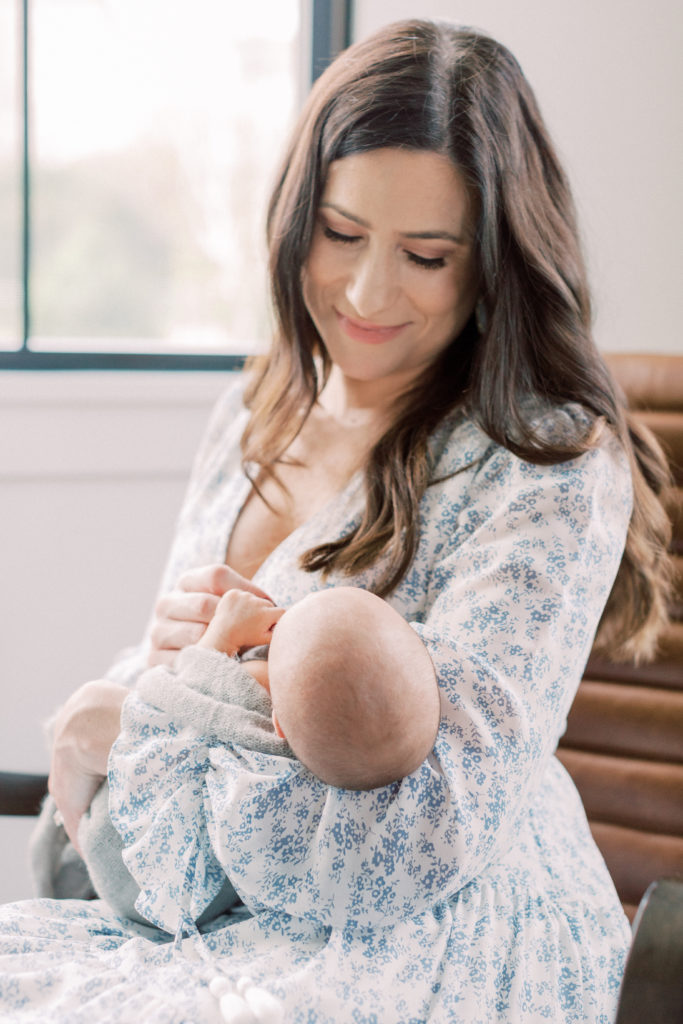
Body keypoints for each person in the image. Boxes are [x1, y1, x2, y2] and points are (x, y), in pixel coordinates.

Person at [0, 17, 672, 1024]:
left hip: (448, 938)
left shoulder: (547, 462)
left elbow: (421, 837)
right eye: (342, 233)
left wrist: (143, 726)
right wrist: (124, 714)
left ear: (492, 261)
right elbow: (166, 698)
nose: (365, 292)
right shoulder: (254, 411)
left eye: (425, 255)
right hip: (217, 922)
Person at [59, 585, 440, 931]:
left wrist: (220, 636)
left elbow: (179, 701)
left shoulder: (257, 691)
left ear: (277, 724)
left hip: (128, 859)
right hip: (202, 902)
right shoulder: (331, 759)